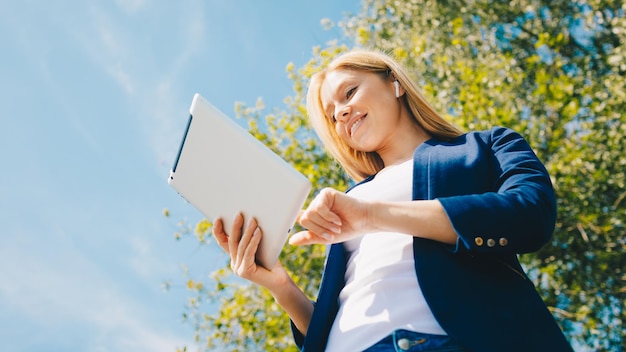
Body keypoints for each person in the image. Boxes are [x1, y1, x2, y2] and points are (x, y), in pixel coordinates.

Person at [212, 49, 574, 351]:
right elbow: (336, 321)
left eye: (349, 92)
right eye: (331, 113)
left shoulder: (485, 147)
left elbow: (531, 213)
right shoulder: (354, 195)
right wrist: (279, 284)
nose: (340, 112)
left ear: (395, 83)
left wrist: (373, 216)